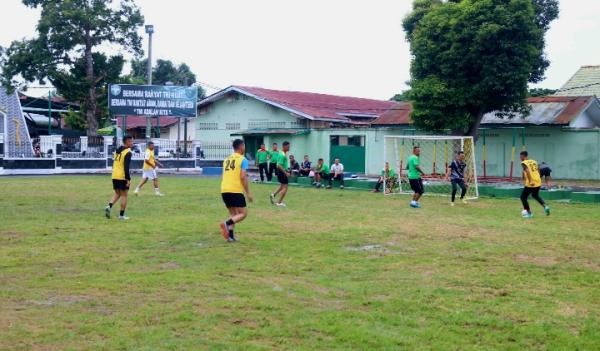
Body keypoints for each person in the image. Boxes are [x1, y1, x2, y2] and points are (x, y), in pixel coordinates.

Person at [220, 139, 253, 242]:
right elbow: (243, 177)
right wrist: (248, 193)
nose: (245, 148)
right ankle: (226, 224)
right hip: (235, 190)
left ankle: (230, 236)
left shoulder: (226, 159)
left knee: (234, 214)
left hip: (224, 190)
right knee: (243, 214)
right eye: (244, 146)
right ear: (241, 146)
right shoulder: (243, 160)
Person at [105, 135, 133, 220]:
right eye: (131, 141)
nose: (132, 143)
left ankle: (109, 206)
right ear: (127, 142)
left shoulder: (117, 150)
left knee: (117, 193)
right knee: (124, 195)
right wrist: (128, 179)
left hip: (114, 175)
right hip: (122, 176)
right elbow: (126, 167)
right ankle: (121, 216)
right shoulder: (128, 152)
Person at [520, 151, 550, 218]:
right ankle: (545, 206)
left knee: (523, 197)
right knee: (535, 195)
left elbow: (527, 171)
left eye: (520, 156)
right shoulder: (534, 161)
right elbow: (538, 170)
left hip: (531, 183)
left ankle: (529, 213)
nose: (520, 158)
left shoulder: (523, 163)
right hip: (538, 181)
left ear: (523, 156)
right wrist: (538, 178)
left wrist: (530, 181)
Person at [270, 141, 291, 207]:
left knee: (282, 186)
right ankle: (279, 202)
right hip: (282, 172)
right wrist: (286, 172)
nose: (289, 148)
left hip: (280, 172)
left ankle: (273, 195)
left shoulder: (282, 153)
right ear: (284, 146)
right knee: (285, 187)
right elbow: (279, 165)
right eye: (288, 147)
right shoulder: (282, 155)